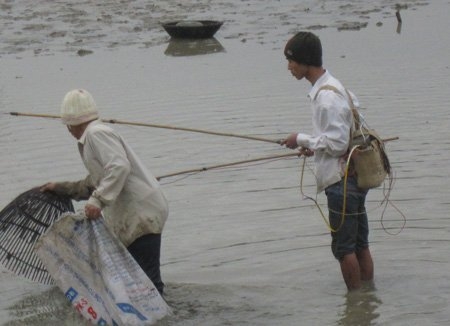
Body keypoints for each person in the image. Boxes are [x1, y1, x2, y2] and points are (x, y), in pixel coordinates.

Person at [41, 89, 169, 295]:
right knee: (140, 281)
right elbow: (95, 182)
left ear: (72, 123)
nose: (68, 130)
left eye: (67, 125)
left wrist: (97, 201)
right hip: (138, 213)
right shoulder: (92, 136)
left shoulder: (96, 133)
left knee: (149, 283)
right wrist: (60, 188)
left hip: (141, 214)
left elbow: (118, 166)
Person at [281, 32, 374, 291]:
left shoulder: (326, 97)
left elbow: (336, 143)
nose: (289, 67)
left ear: (304, 61)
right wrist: (313, 147)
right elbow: (344, 137)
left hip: (341, 183)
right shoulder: (337, 87)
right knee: (360, 244)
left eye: (291, 61)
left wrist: (301, 139)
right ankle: (367, 299)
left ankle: (356, 306)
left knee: (345, 249)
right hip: (355, 178)